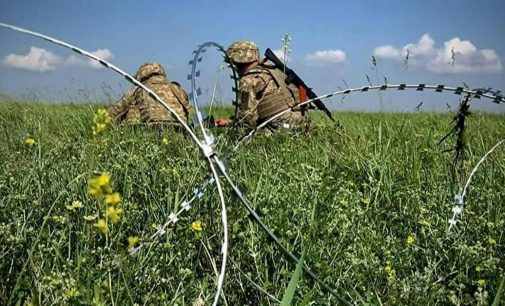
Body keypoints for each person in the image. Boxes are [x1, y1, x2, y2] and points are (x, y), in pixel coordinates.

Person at [225, 41, 307, 131]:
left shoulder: (248, 81)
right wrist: (228, 122)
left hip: (283, 128)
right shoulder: (273, 69)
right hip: (302, 122)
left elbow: (246, 121)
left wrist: (231, 128)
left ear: (236, 62)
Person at [108, 63, 191, 126]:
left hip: (150, 130)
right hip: (179, 130)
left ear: (141, 76)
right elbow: (189, 110)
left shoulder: (139, 89)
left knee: (132, 109)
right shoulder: (176, 88)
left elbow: (113, 113)